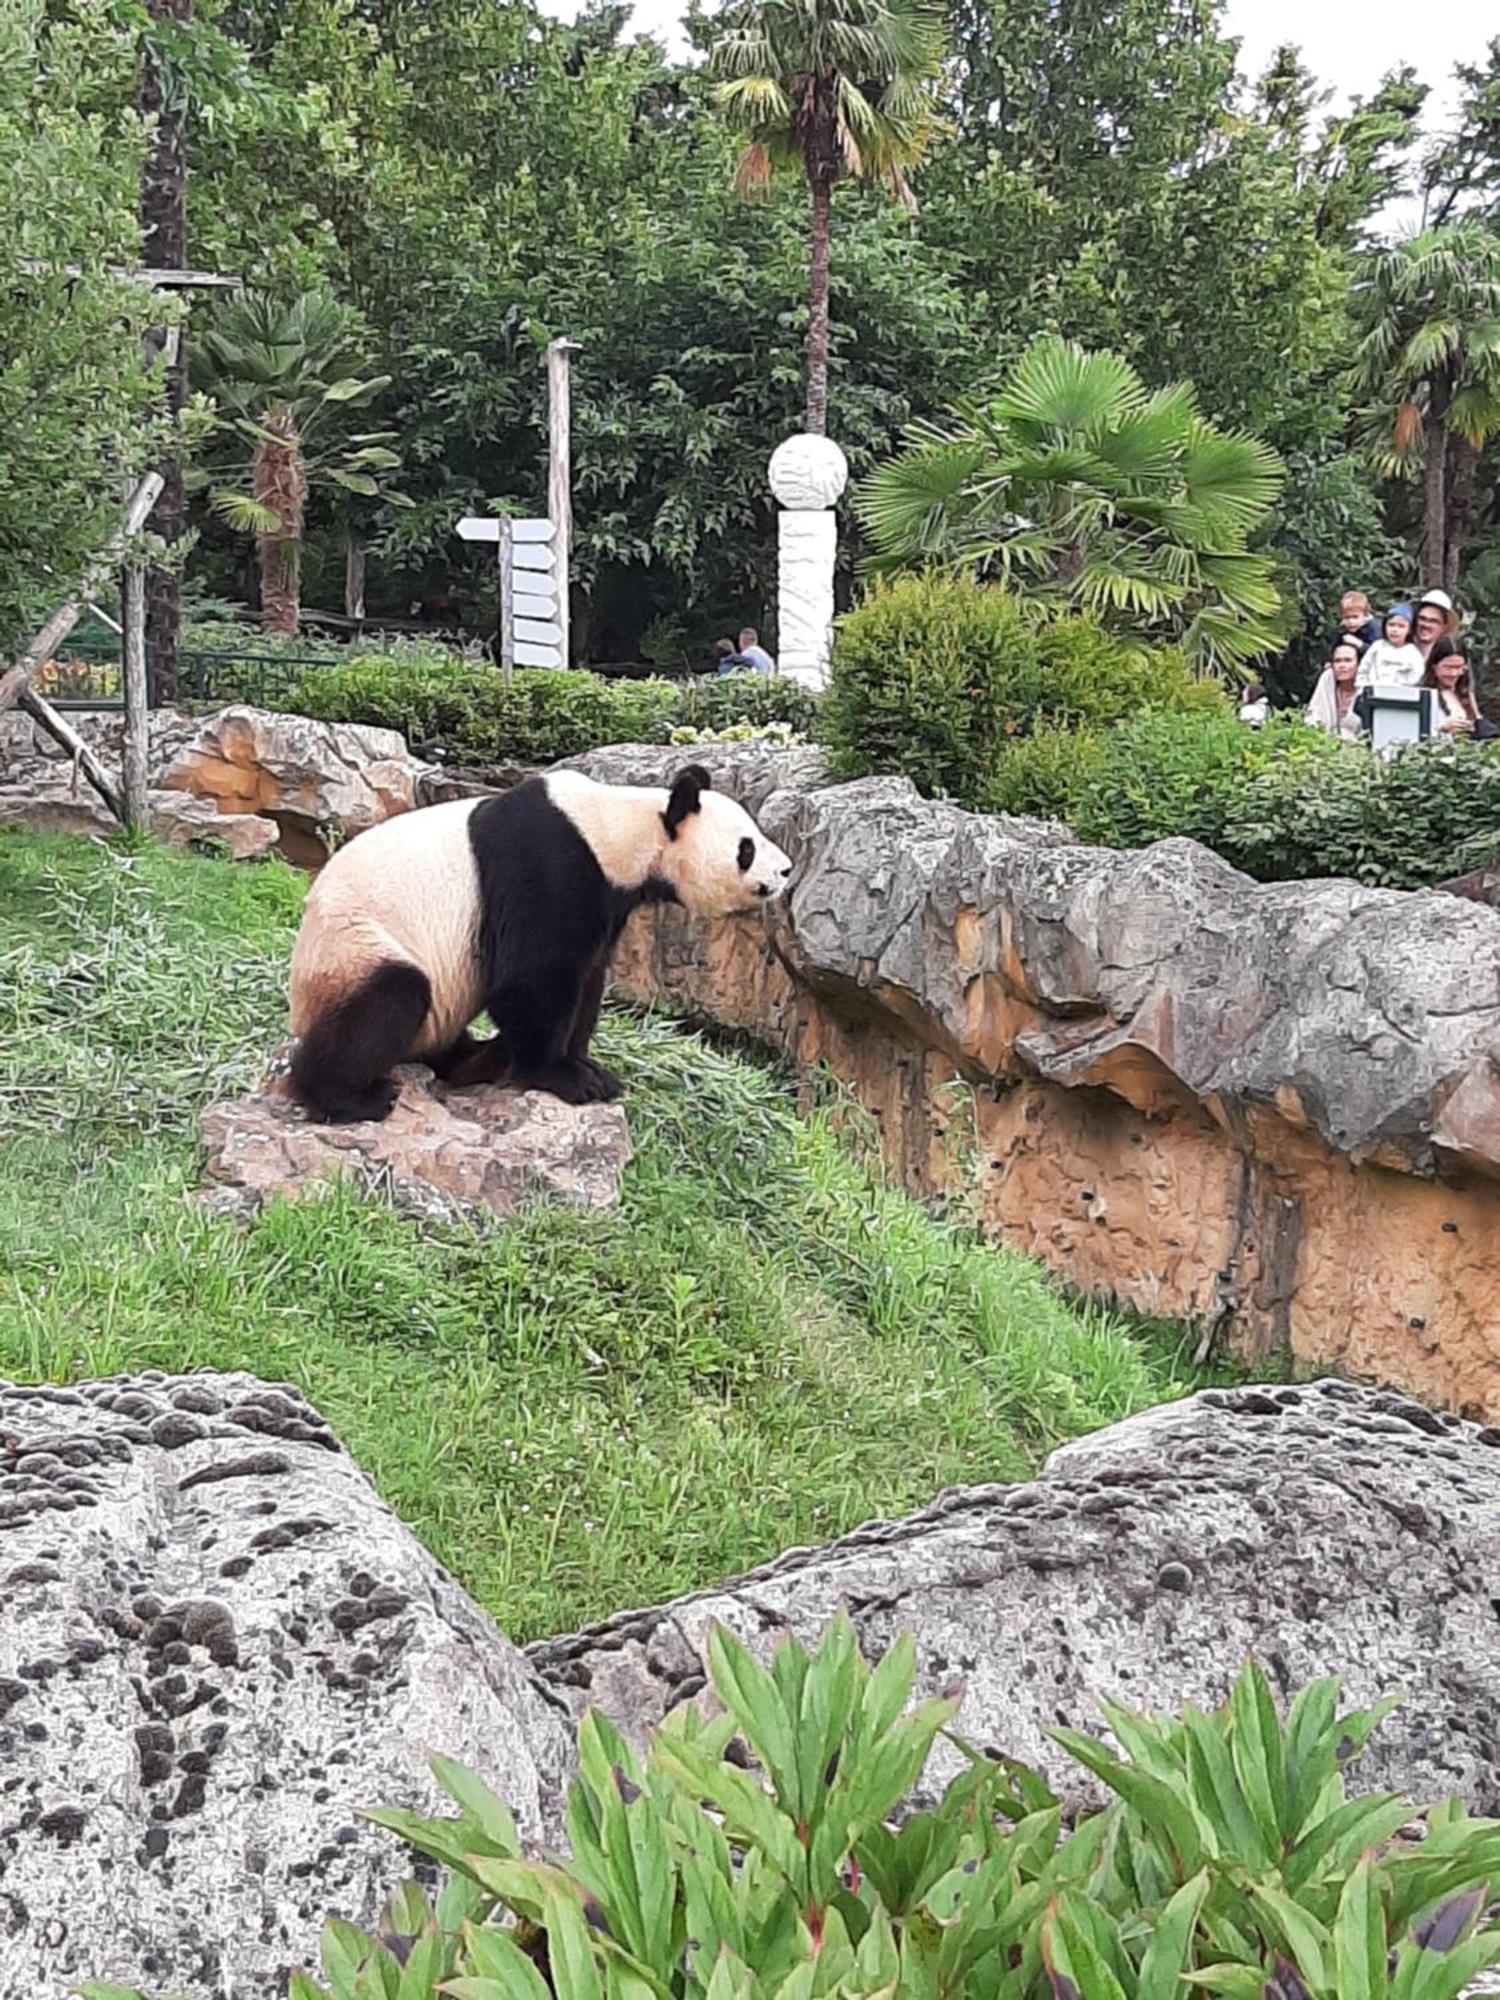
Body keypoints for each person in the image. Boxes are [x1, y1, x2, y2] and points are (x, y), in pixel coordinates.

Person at [1305, 637, 1366, 741]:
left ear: (1359, 664)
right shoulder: (1327, 678)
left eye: (1348, 660)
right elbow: (1314, 716)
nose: (1342, 666)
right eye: (1337, 661)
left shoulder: (1367, 686)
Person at [1355, 603, 1425, 688]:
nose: (1395, 630)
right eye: (1391, 624)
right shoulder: (1377, 647)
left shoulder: (1413, 653)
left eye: (1401, 626)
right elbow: (1363, 670)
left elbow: (1417, 677)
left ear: (1409, 630)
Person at [1422, 638, 1480, 736]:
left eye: (1458, 667)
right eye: (1448, 667)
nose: (1453, 673)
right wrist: (1443, 728)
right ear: (1434, 666)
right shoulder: (1422, 693)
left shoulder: (1465, 692)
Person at [1413, 589, 1460, 661]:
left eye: (1433, 621)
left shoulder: (1446, 660)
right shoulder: (1399, 651)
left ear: (1444, 627)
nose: (1426, 625)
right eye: (1422, 618)